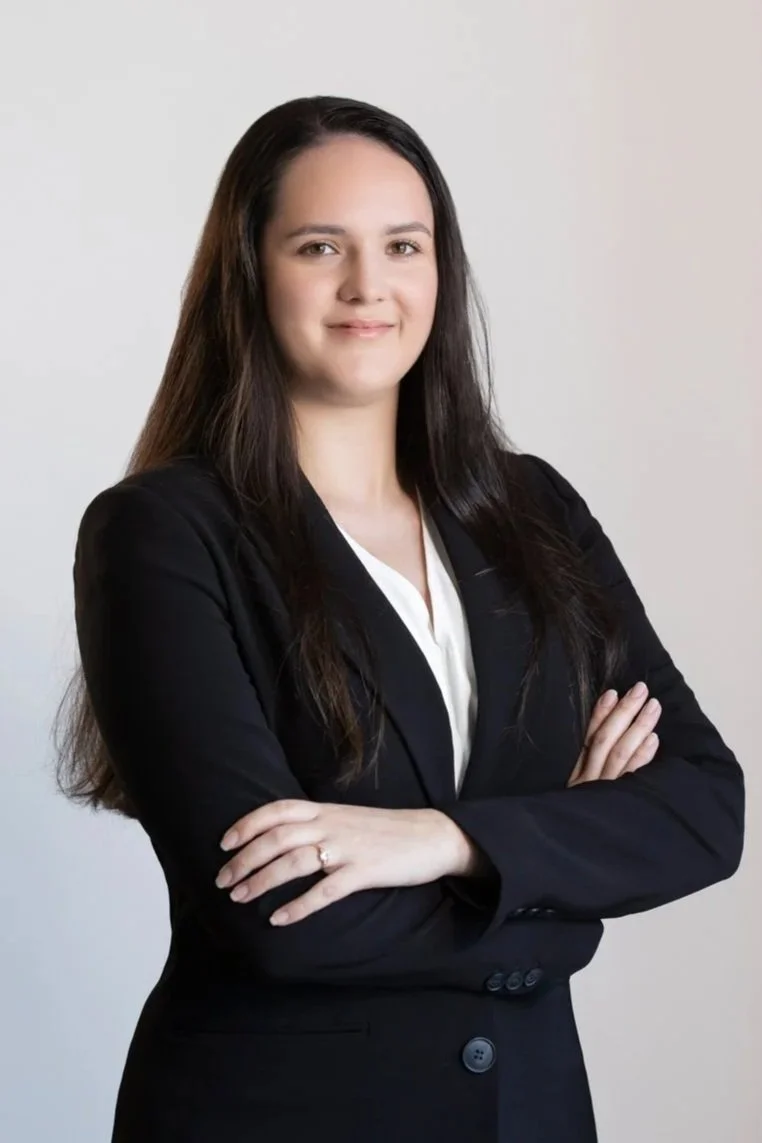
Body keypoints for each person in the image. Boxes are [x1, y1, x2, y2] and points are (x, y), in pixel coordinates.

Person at [54, 95, 744, 1143]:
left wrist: (443, 841)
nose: (368, 286)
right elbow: (277, 918)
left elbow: (704, 808)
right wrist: (560, 894)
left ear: (440, 271)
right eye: (320, 246)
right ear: (249, 273)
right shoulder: (163, 533)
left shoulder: (535, 512)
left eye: (403, 246)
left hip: (531, 1114)